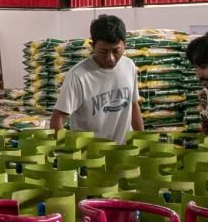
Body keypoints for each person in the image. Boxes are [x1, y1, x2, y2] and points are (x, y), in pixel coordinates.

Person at [50, 14, 143, 142]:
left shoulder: (129, 66)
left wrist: (142, 142)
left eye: (116, 51)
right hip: (91, 152)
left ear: (124, 45)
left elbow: (133, 106)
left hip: (124, 151)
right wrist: (66, 149)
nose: (110, 58)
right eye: (103, 51)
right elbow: (57, 119)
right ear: (92, 45)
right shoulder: (78, 75)